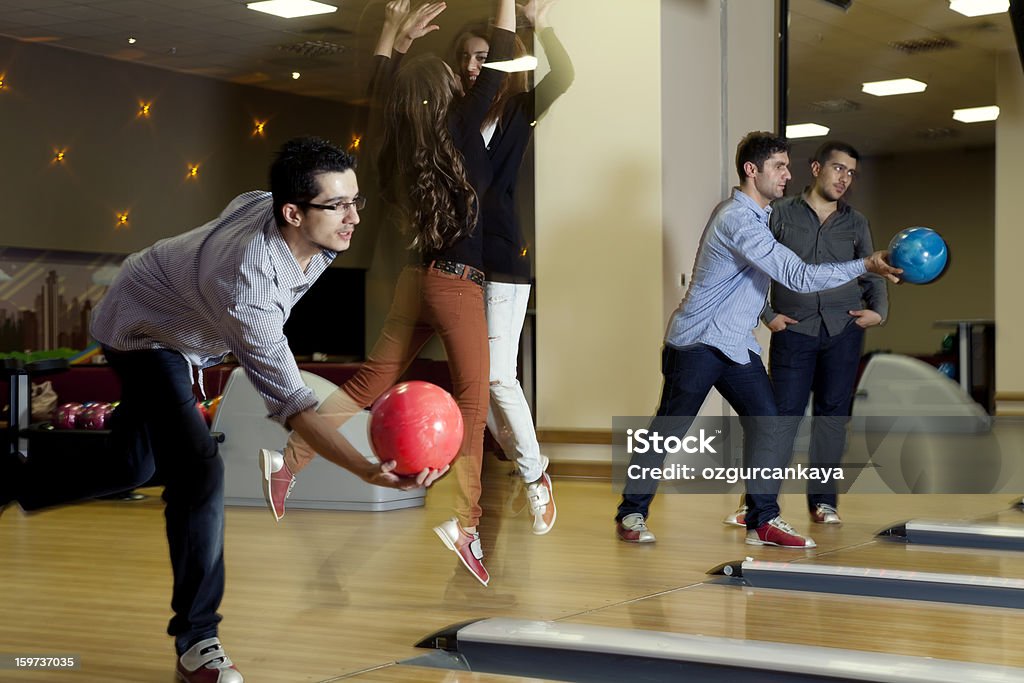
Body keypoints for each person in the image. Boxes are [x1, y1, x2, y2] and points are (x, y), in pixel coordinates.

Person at [0, 136, 444, 683]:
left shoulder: (295, 220)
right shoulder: (248, 284)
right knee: (198, 469)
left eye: (357, 200)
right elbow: (297, 409)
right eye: (338, 205)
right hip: (144, 328)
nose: (354, 217)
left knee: (132, 468)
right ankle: (197, 642)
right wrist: (366, 469)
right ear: (292, 212)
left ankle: (10, 481)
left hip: (187, 322)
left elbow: (246, 201)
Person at [260, 0, 517, 588]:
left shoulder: (398, 140)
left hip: (417, 279)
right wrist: (506, 7)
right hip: (456, 285)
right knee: (473, 408)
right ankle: (467, 527)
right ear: (451, 92)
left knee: (366, 384)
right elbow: (499, 66)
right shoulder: (462, 132)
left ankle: (287, 462)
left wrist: (391, 39)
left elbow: (380, 94)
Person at [614, 132, 901, 549]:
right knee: (669, 428)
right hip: (697, 342)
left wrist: (764, 314)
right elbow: (799, 276)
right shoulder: (737, 219)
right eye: (779, 167)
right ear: (752, 170)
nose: (788, 175)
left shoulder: (761, 219)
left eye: (787, 166)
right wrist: (866, 264)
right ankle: (631, 513)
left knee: (768, 423)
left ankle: (762, 520)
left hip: (735, 345)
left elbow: (754, 283)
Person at [451, 0, 573, 535]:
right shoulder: (453, 118)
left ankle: (535, 475)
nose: (475, 65)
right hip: (460, 257)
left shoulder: (521, 109)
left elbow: (564, 76)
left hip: (503, 256)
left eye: (483, 56)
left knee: (499, 374)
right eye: (468, 58)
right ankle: (509, 468)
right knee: (480, 378)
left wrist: (539, 24)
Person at [721, 141, 886, 529]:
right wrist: (767, 314)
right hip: (793, 330)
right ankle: (757, 505)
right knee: (781, 419)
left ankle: (824, 502)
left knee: (832, 419)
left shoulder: (856, 222)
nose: (844, 178)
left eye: (851, 172)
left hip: (844, 330)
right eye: (838, 168)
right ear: (816, 168)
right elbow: (751, 268)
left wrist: (878, 312)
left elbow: (871, 270)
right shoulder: (778, 213)